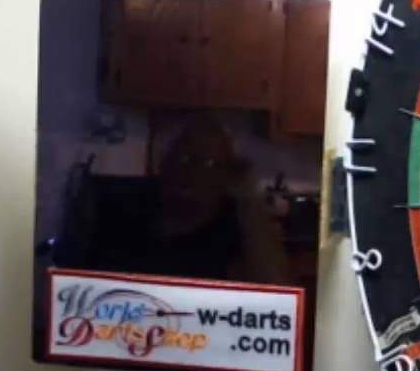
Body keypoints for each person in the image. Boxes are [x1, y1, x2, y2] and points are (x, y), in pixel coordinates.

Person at [61, 116, 288, 285]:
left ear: (225, 175)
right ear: (163, 164)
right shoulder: (120, 212)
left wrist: (250, 197)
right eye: (184, 158)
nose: (190, 171)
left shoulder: (234, 226)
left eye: (207, 163)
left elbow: (277, 292)